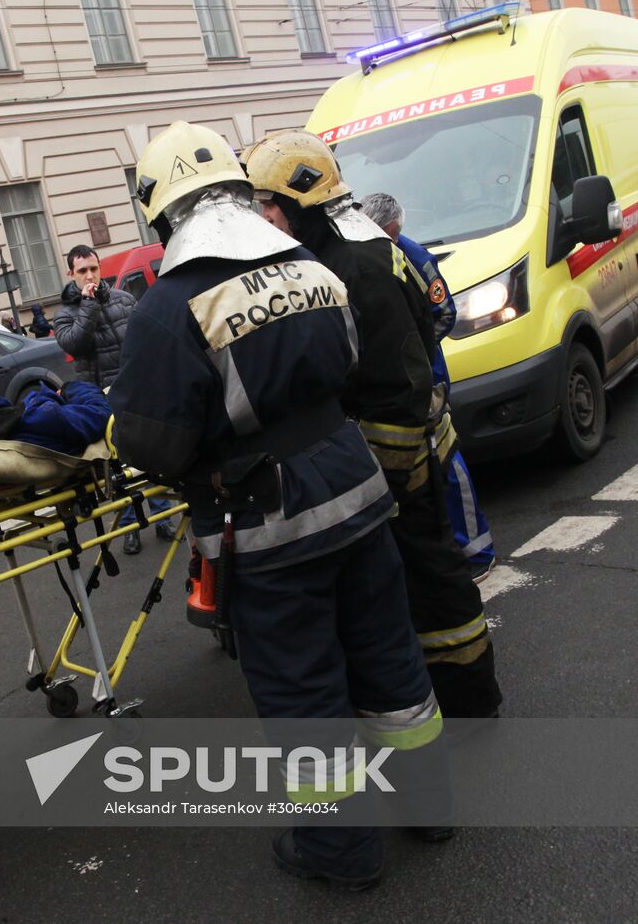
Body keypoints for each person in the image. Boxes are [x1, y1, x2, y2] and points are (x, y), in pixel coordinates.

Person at [112, 121, 450, 889]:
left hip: (267, 523)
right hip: (355, 489)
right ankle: (431, 805)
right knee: (390, 658)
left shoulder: (170, 307)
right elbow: (351, 361)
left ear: (165, 211)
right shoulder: (308, 265)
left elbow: (151, 443)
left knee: (304, 691)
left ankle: (340, 853)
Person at [243, 130, 502, 721]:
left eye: (267, 204)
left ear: (299, 199)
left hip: (403, 457)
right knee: (419, 582)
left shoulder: (353, 264)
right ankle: (456, 695)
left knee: (433, 583)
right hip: (407, 450)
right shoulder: (353, 244)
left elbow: (394, 381)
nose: (263, 218)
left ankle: (470, 701)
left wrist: (390, 470)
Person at [360, 192, 497, 582]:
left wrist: (411, 353)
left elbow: (445, 314)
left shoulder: (414, 257)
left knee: (447, 463)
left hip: (428, 382)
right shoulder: (366, 256)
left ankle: (477, 551)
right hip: (393, 388)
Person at [53, 244, 171, 554]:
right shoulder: (65, 313)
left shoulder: (123, 299)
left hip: (135, 388)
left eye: (93, 268)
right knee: (117, 466)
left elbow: (143, 338)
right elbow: (75, 345)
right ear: (71, 274)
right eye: (82, 271)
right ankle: (130, 527)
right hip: (101, 399)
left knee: (149, 454)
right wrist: (89, 305)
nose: (90, 275)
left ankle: (163, 516)